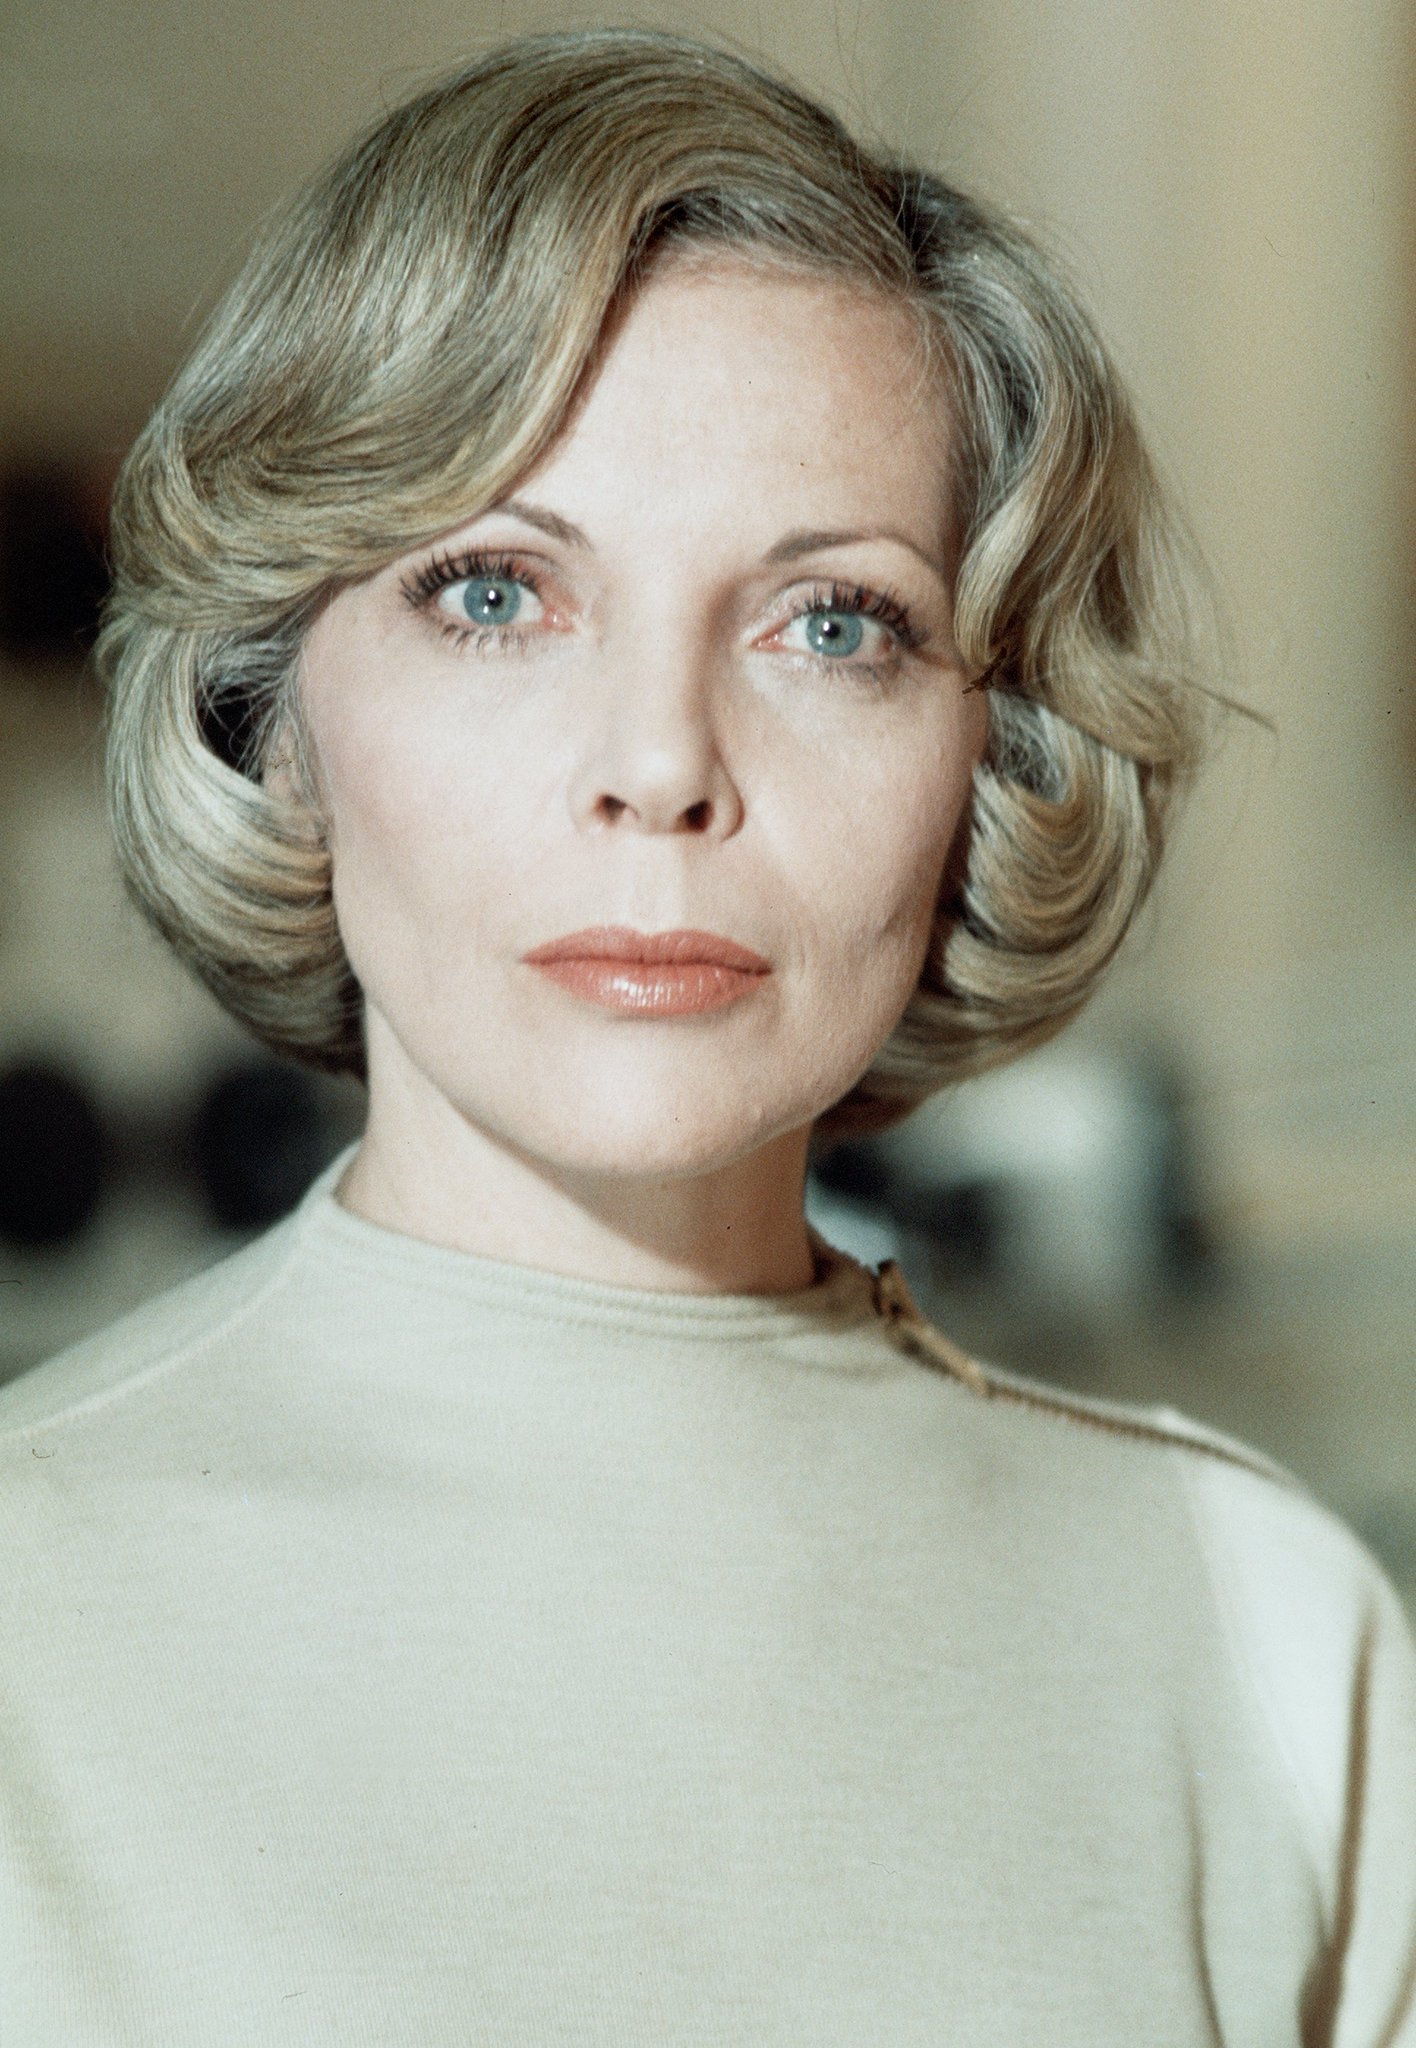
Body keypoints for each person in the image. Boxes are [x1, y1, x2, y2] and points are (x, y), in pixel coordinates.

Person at [3, 25, 1412, 2044]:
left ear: (989, 748)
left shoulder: (1264, 1635)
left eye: (831, 624)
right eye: (496, 594)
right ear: (278, 711)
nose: (661, 764)